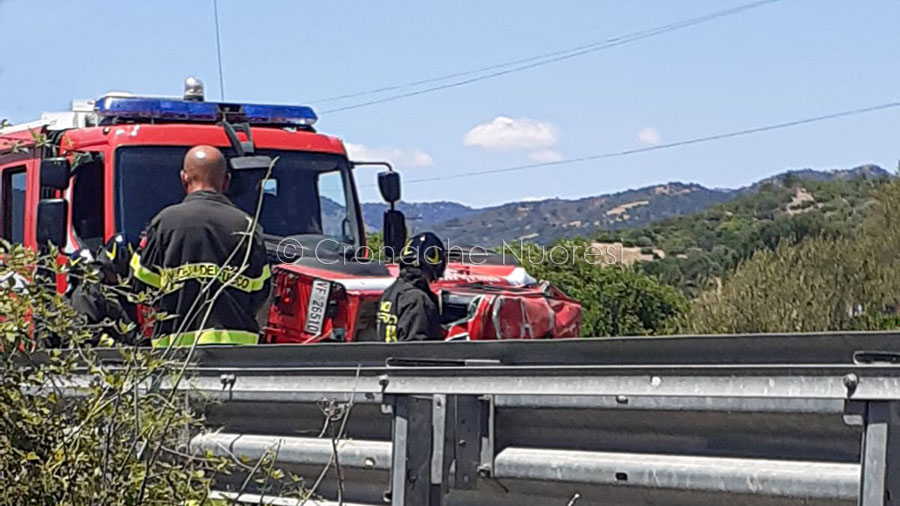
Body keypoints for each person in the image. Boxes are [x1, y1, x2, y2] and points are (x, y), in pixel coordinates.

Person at [130, 145, 270, 347]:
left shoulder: (164, 222)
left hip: (174, 351)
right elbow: (260, 291)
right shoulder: (248, 225)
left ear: (184, 178)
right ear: (226, 181)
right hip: (237, 350)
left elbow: (140, 284)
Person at [68, 235, 139, 345]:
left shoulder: (113, 295)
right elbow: (87, 333)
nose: (94, 276)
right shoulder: (84, 295)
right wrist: (118, 348)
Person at [377, 232, 447, 342]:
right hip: (405, 358)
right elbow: (416, 347)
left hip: (387, 357)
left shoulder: (390, 292)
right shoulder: (417, 300)